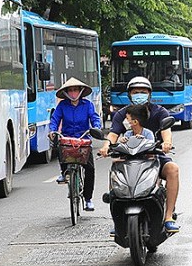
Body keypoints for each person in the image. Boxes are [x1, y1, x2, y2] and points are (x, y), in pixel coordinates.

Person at [98, 77, 181, 232]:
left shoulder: (159, 111)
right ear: (129, 95)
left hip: (154, 156)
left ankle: (168, 216)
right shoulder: (122, 114)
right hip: (127, 158)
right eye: (136, 92)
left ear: (149, 94)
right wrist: (105, 147)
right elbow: (113, 134)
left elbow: (166, 132)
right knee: (114, 168)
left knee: (173, 169)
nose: (139, 95)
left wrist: (166, 143)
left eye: (143, 92)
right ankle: (118, 221)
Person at [49, 77, 102, 211]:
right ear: (66, 93)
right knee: (59, 146)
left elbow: (94, 118)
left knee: (90, 169)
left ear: (80, 91)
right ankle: (64, 172)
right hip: (67, 138)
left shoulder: (87, 105)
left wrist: (96, 127)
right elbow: (55, 119)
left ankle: (88, 199)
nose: (73, 93)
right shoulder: (62, 106)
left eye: (75, 90)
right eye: (70, 90)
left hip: (83, 139)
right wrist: (53, 130)